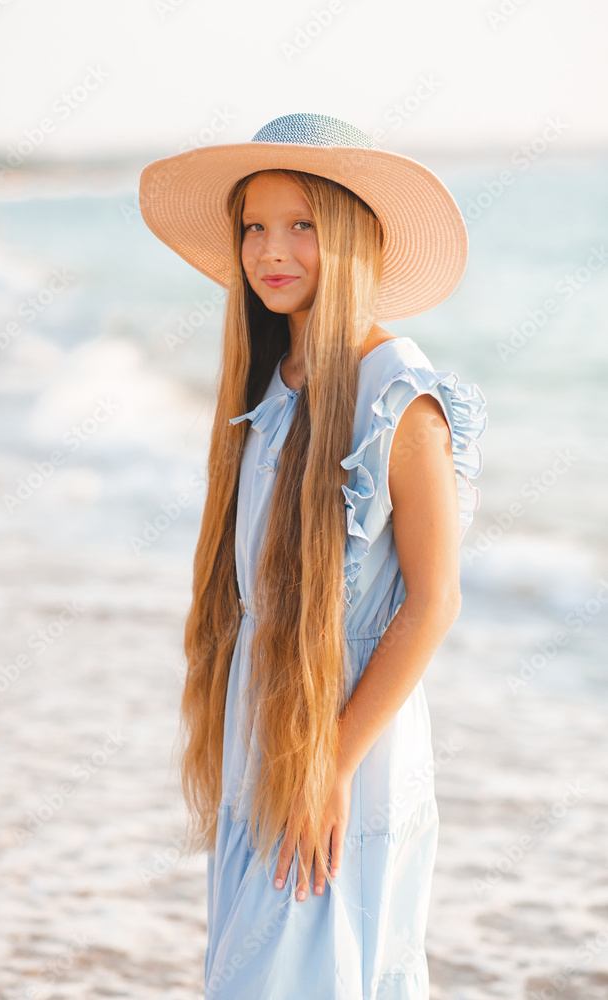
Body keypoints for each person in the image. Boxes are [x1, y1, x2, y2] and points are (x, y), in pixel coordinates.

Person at [139, 112, 487, 1000]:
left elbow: (432, 601)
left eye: (300, 224)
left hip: (346, 737)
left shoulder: (396, 398)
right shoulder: (271, 384)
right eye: (254, 226)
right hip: (264, 718)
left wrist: (328, 765)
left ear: (351, 235)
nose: (270, 249)